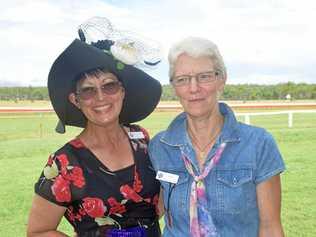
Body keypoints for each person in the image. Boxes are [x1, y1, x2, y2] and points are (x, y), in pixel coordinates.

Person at [27, 20, 162, 237]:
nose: (100, 98)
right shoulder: (64, 163)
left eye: (109, 85)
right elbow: (38, 231)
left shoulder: (142, 140)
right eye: (88, 90)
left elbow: (156, 206)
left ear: (122, 91)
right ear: (75, 100)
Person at [148, 37, 286, 237]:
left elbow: (270, 228)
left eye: (204, 76)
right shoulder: (159, 147)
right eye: (183, 79)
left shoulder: (258, 144)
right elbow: (150, 211)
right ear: (174, 87)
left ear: (222, 79)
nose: (194, 88)